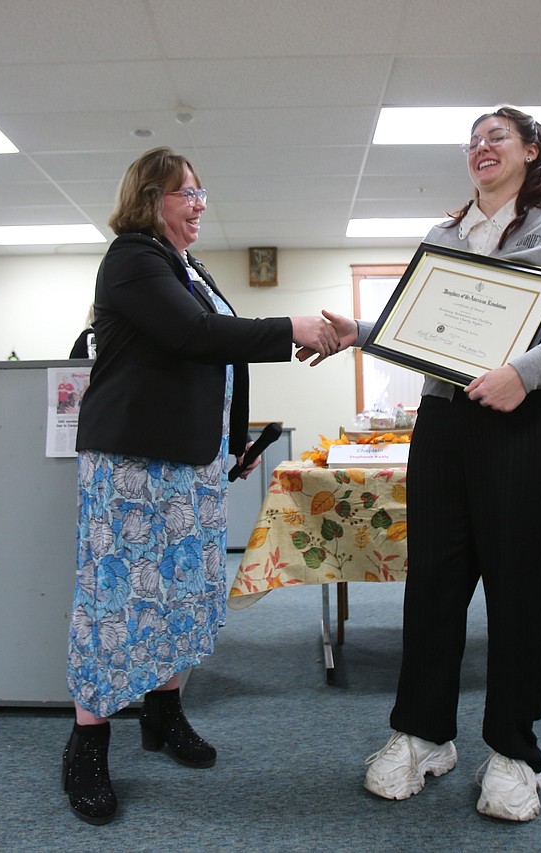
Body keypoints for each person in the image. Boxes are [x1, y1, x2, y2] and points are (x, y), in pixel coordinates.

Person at [311, 106, 541, 822]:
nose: (481, 147)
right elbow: (420, 327)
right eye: (473, 140)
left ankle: (514, 751)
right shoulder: (442, 235)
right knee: (436, 586)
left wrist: (525, 370)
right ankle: (422, 733)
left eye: (497, 137)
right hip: (444, 423)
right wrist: (360, 331)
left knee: (518, 592)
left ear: (531, 150)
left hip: (527, 419)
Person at [62, 147, 338, 825]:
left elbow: (217, 365)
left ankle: (163, 712)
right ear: (151, 197)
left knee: (184, 588)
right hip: (131, 461)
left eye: (201, 192)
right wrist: (291, 327)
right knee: (116, 596)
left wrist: (233, 440)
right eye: (186, 192)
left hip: (192, 460)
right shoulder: (131, 256)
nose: (199, 204)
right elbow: (195, 335)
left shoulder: (188, 266)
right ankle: (87, 743)